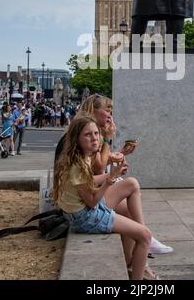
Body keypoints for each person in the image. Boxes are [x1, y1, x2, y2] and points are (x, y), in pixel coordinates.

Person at [55, 94, 174, 256]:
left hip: (80, 198)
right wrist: (107, 139)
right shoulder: (86, 136)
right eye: (107, 110)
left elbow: (95, 168)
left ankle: (139, 251)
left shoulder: (86, 134)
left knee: (129, 207)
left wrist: (118, 155)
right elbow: (98, 168)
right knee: (129, 196)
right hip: (79, 207)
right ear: (93, 111)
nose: (111, 115)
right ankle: (144, 242)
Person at [52, 116, 157, 281]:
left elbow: (87, 182)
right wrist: (110, 180)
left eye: (96, 133)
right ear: (76, 139)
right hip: (84, 217)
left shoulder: (83, 156)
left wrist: (113, 173)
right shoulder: (77, 166)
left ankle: (133, 256)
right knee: (145, 236)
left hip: (83, 209)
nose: (94, 138)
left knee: (131, 184)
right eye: (87, 135)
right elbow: (92, 202)